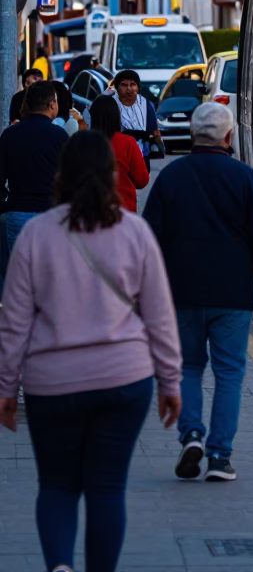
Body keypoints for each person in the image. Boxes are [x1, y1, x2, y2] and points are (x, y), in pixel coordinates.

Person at [0, 131, 182, 572]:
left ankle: (60, 565)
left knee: (57, 485)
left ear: (60, 176)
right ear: (109, 176)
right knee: (106, 486)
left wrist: (7, 387)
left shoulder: (35, 235)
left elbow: (15, 321)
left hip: (52, 381)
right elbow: (159, 315)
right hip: (124, 379)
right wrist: (171, 382)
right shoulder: (135, 233)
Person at [144, 101, 253, 483]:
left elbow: (147, 239)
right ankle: (220, 457)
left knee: (187, 366)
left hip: (181, 292)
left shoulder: (172, 176)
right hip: (232, 293)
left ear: (192, 134)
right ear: (228, 136)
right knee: (229, 373)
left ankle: (191, 434)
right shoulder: (244, 177)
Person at [0, 80, 67, 264]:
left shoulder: (9, 135)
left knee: (21, 276)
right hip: (51, 214)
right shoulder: (59, 136)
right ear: (52, 104)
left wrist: (8, 204)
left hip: (18, 213)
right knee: (51, 276)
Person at [90, 95, 150, 213]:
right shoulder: (128, 143)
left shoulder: (83, 142)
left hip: (91, 211)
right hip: (124, 211)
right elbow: (141, 180)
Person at [100, 70, 164, 161]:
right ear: (117, 87)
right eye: (124, 85)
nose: (129, 89)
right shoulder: (109, 105)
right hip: (117, 155)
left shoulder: (147, 104)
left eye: (132, 84)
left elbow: (152, 129)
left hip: (140, 154)